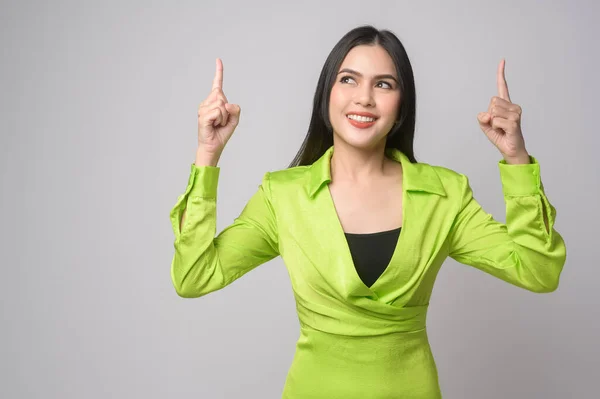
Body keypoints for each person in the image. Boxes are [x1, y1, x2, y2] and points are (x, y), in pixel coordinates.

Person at [169, 25, 567, 399]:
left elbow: (538, 271)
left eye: (383, 84)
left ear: (401, 105)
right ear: (327, 94)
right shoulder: (282, 195)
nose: (364, 97)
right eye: (348, 79)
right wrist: (208, 155)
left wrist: (517, 158)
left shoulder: (444, 194)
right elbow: (194, 276)